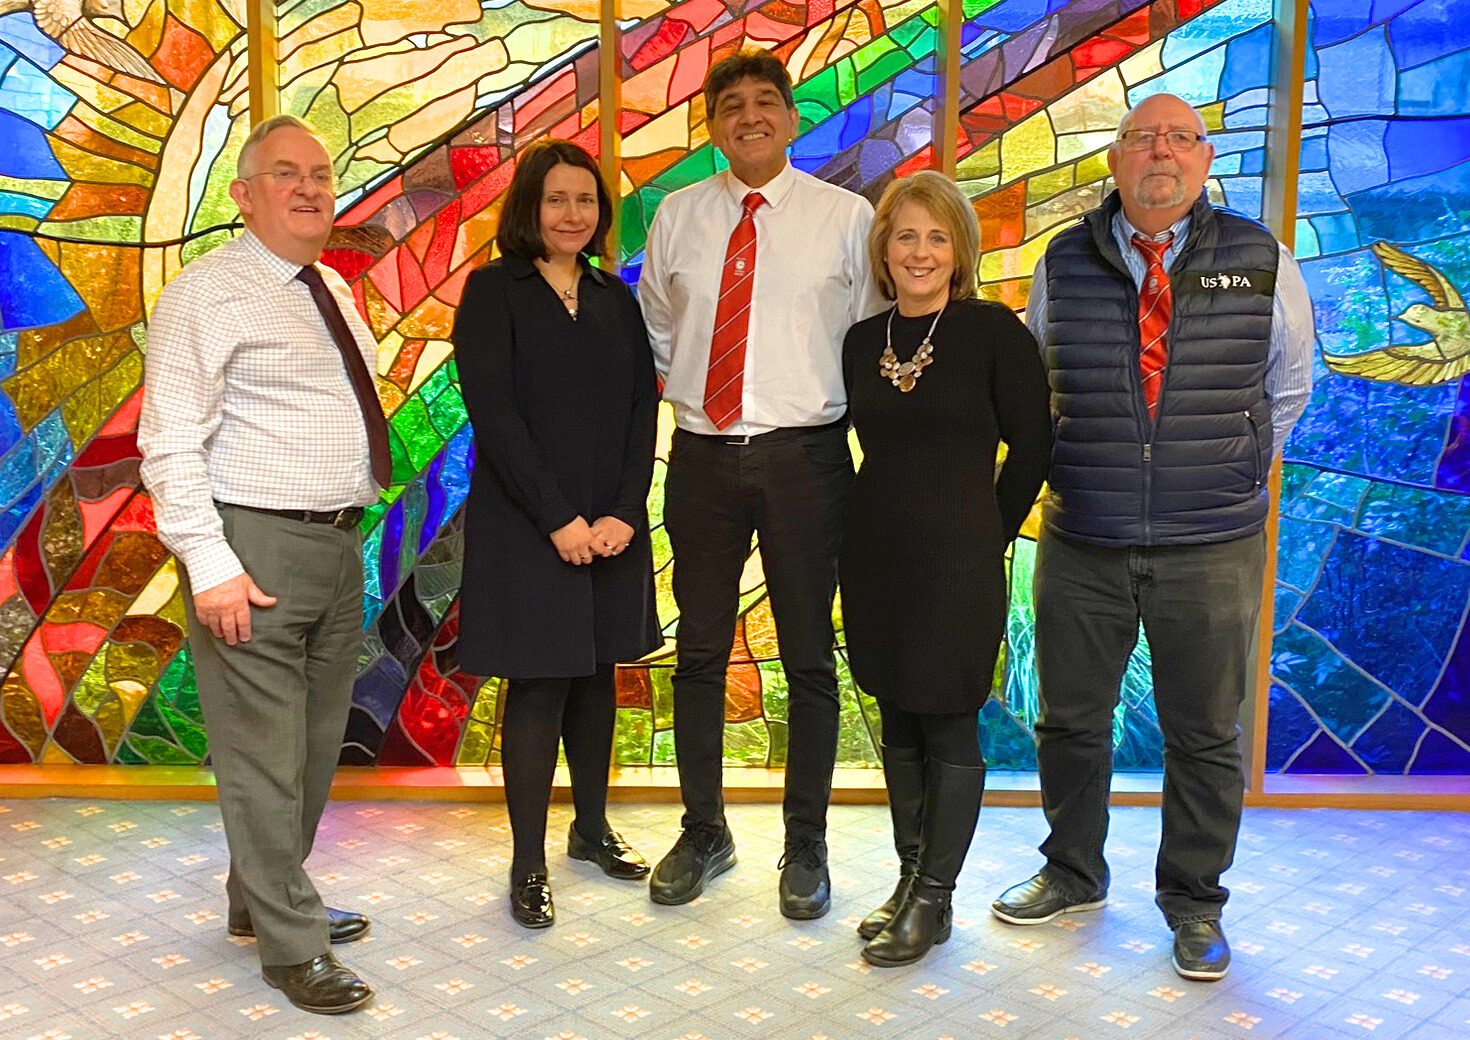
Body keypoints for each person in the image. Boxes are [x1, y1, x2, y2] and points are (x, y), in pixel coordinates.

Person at [991, 93, 1316, 982]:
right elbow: (1038, 374)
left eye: (1180, 138)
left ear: (1206, 159)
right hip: (1084, 532)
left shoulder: (1262, 258)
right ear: (1116, 161)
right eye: (1141, 138)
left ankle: (1195, 902)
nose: (1160, 153)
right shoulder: (1063, 259)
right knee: (1069, 720)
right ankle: (1071, 872)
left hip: (1211, 540)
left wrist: (1232, 464)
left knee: (1206, 732)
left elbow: (1290, 384)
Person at [139, 114, 380, 1015]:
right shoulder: (209, 293)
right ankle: (292, 943)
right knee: (263, 761)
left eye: (320, 172)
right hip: (256, 547)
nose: (311, 187)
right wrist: (209, 563)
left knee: (316, 753)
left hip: (334, 543)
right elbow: (167, 444)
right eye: (287, 173)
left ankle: (260, 899)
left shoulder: (331, 288)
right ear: (244, 195)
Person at [638, 49, 883, 918]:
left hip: (807, 458)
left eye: (765, 102)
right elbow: (661, 328)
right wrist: (702, 401)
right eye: (731, 105)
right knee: (699, 649)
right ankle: (705, 829)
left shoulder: (846, 217)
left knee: (811, 657)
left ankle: (806, 847)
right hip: (701, 455)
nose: (750, 116)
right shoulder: (677, 215)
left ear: (790, 116)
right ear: (712, 125)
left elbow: (867, 337)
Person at [839, 171, 1052, 966]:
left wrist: (985, 532)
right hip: (875, 554)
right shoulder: (865, 341)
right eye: (906, 236)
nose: (920, 251)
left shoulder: (995, 333)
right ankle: (908, 878)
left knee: (948, 717)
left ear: (959, 250)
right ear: (884, 251)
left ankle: (936, 898)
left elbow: (1032, 447)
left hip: (960, 558)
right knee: (895, 712)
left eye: (936, 237)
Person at [452, 139, 661, 930]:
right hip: (525, 525)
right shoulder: (492, 292)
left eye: (586, 201)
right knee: (540, 683)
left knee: (598, 672)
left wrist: (623, 511)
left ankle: (592, 829)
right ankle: (528, 861)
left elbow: (644, 406)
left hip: (611, 525)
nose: (573, 213)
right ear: (528, 209)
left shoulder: (616, 297)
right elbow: (495, 417)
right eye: (556, 199)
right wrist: (559, 521)